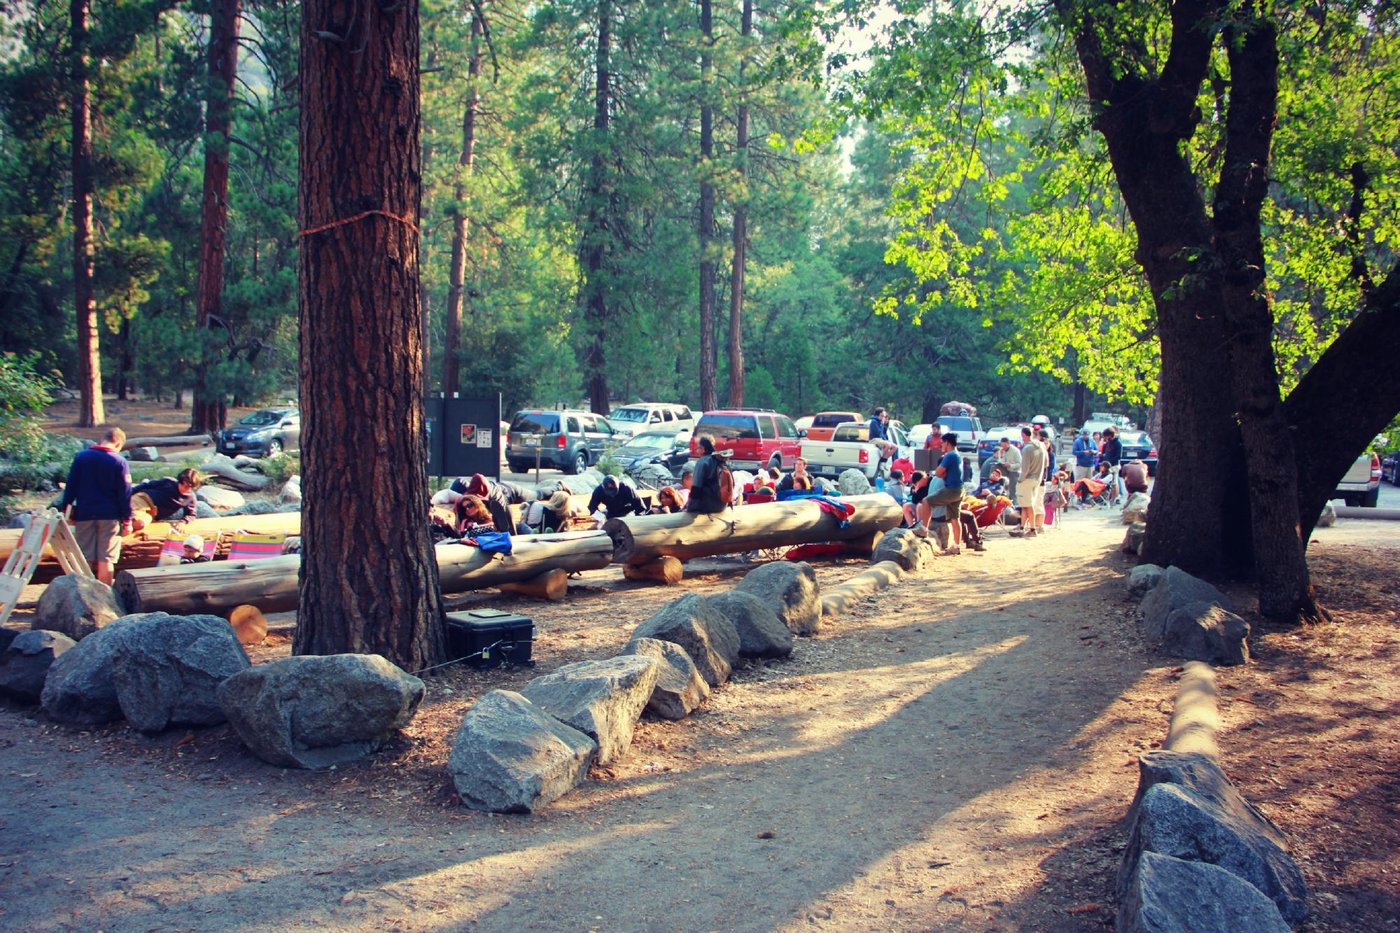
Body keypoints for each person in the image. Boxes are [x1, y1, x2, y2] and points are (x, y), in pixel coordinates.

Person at [58, 427, 132, 585]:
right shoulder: (119, 461)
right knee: (106, 558)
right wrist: (127, 519)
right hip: (110, 515)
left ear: (102, 439)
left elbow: (71, 486)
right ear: (118, 444)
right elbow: (124, 493)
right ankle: (104, 597)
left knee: (84, 555)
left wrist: (67, 509)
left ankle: (82, 594)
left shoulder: (81, 457)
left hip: (85, 513)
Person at [922, 433, 966, 554]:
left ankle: (923, 530)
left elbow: (938, 472)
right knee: (955, 518)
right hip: (960, 489)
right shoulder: (957, 455)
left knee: (926, 501)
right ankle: (956, 546)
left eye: (942, 442)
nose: (941, 445)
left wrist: (940, 472)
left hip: (951, 489)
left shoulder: (949, 455)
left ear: (947, 443)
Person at [129, 468, 202, 531]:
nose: (183, 488)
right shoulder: (168, 482)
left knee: (139, 524)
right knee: (128, 511)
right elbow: (146, 485)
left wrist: (182, 523)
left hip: (152, 513)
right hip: (143, 499)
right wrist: (127, 493)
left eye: (187, 487)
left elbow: (191, 514)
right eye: (182, 484)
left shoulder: (190, 498)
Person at [1014, 425, 1046, 537]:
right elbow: (1046, 463)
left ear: (1023, 435)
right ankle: (1022, 527)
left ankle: (1032, 529)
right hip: (1037, 479)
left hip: (1027, 479)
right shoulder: (1041, 446)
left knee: (1028, 504)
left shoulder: (1027, 448)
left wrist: (1020, 480)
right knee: (1025, 504)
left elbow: (1025, 468)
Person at [686, 435, 729, 514]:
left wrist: (690, 507)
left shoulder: (702, 462)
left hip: (708, 505)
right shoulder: (720, 459)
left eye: (698, 448)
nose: (697, 450)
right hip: (722, 504)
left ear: (703, 448)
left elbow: (696, 487)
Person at [1100, 427, 1124, 503]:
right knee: (1107, 481)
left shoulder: (1118, 444)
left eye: (1106, 436)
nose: (1105, 438)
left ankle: (1116, 497)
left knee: (1114, 482)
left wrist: (1109, 461)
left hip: (1114, 465)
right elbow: (1105, 453)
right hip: (1107, 465)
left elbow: (1118, 456)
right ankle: (1108, 497)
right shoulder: (1107, 443)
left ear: (1110, 435)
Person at [998, 436, 1022, 505]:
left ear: (1008, 444)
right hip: (1005, 470)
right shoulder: (1002, 450)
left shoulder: (1015, 451)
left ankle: (1014, 505)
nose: (1003, 447)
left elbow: (1020, 464)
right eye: (1002, 445)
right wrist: (1002, 456)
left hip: (1014, 471)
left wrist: (1010, 465)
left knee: (1012, 491)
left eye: (1005, 446)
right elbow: (1000, 460)